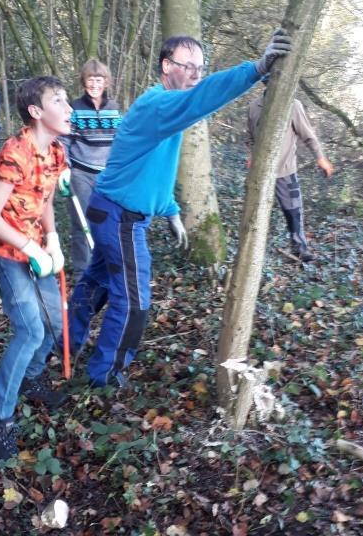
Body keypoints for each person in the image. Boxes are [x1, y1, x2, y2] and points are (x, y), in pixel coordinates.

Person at [67, 29, 292, 388]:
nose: (195, 75)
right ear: (166, 66)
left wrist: (171, 211)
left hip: (112, 210)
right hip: (119, 217)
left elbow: (155, 167)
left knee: (97, 285)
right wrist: (257, 68)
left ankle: (63, 344)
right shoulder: (158, 105)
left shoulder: (165, 108)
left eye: (201, 69)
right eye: (189, 67)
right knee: (133, 301)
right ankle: (106, 376)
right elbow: (204, 97)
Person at [0, 76, 72, 460]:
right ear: (36, 112)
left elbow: (44, 197)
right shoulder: (16, 152)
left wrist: (52, 238)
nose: (68, 108)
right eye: (59, 101)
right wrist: (29, 245)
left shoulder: (56, 152)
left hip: (38, 250)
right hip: (7, 252)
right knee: (31, 330)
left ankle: (31, 379)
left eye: (67, 101)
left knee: (54, 324)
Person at [247, 88, 333, 262]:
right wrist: (250, 156)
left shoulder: (292, 105)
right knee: (254, 213)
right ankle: (252, 252)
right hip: (259, 173)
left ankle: (300, 249)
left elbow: (308, 135)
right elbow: (250, 138)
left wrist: (320, 158)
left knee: (294, 211)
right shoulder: (253, 106)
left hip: (285, 171)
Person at [61, 59, 122, 282]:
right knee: (81, 222)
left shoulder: (114, 108)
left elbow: (121, 141)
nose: (94, 84)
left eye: (98, 79)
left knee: (107, 222)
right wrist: (65, 165)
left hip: (107, 176)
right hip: (80, 173)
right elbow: (65, 139)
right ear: (83, 81)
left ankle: (106, 269)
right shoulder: (75, 107)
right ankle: (81, 274)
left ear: (105, 82)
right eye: (90, 79)